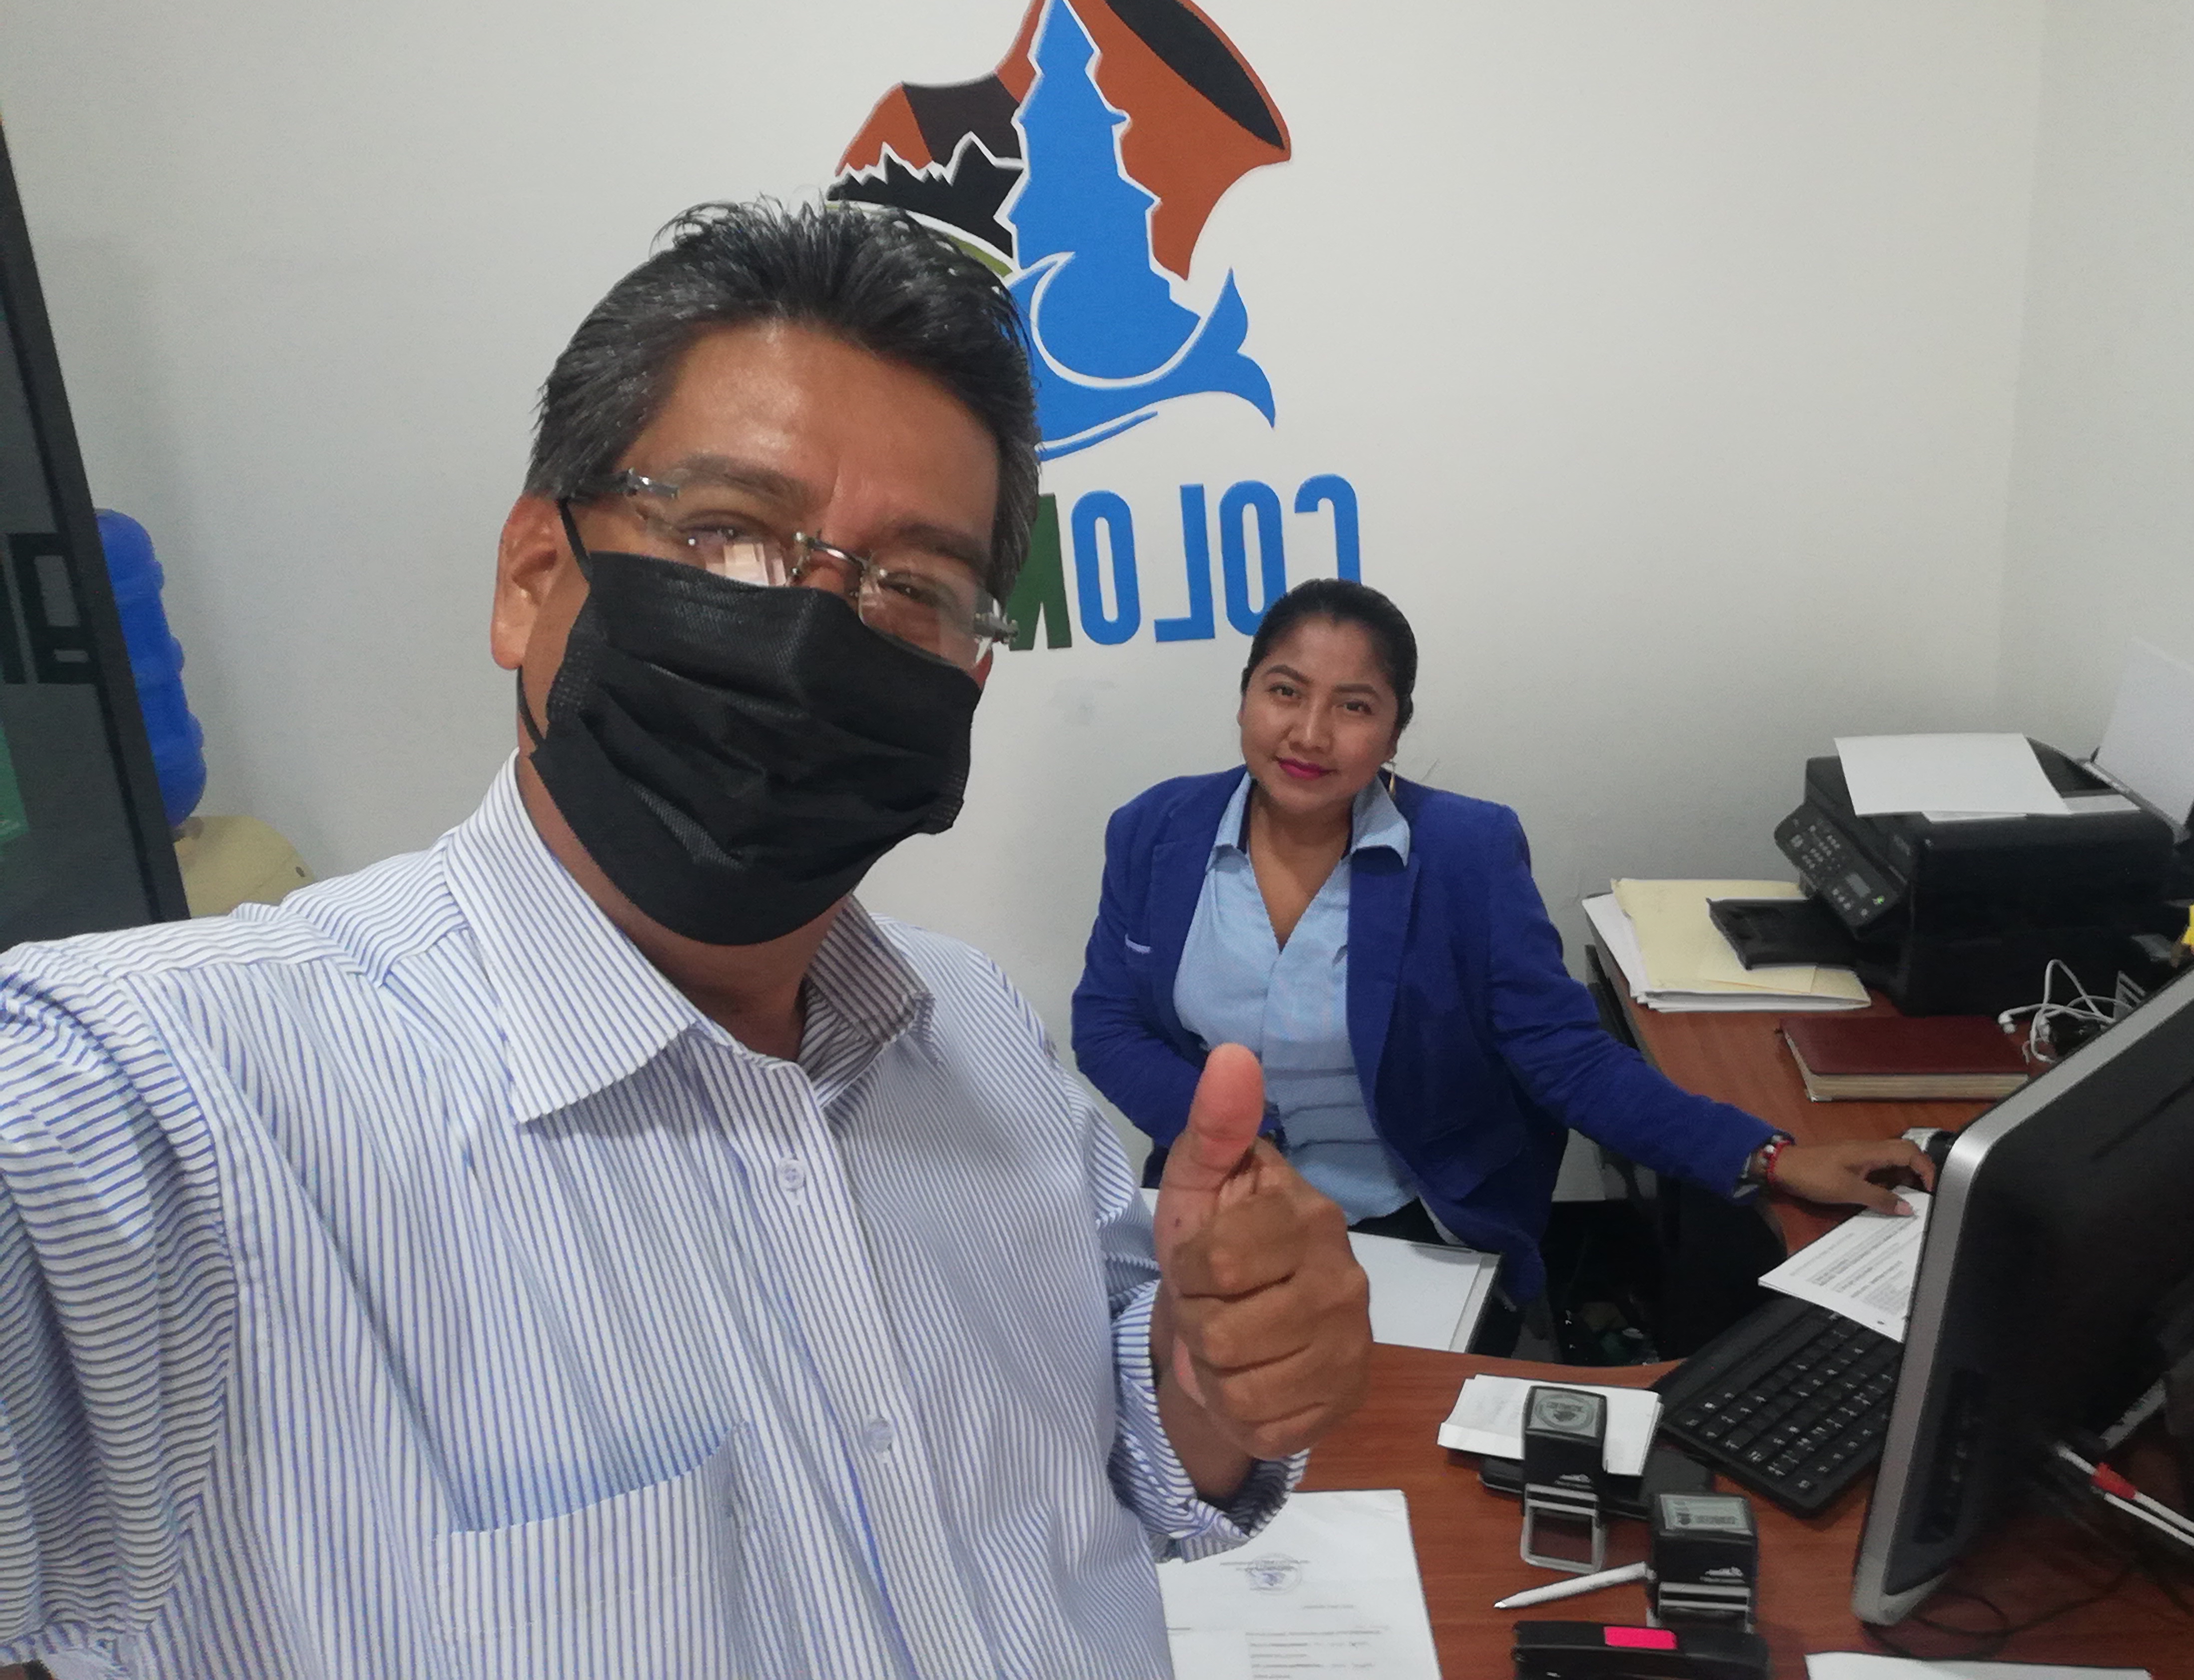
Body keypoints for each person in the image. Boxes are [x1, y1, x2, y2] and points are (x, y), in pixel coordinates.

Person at [0, 203, 1371, 1680]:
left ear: (970, 675)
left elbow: (1110, 1466)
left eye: (913, 588)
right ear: (534, 575)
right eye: (727, 533)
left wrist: (1205, 1388)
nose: (814, 634)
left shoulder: (974, 1028)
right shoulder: (161, 1105)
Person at [1073, 577, 1931, 1325]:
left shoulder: (1466, 852)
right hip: (1220, 1194)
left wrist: (1769, 1156)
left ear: (1395, 735)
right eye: (1285, 691)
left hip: (1410, 1216)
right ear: (1245, 698)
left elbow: (1565, 1056)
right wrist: (1230, 1139)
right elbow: (1107, 1023)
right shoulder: (1156, 831)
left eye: (1355, 706)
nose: (1309, 733)